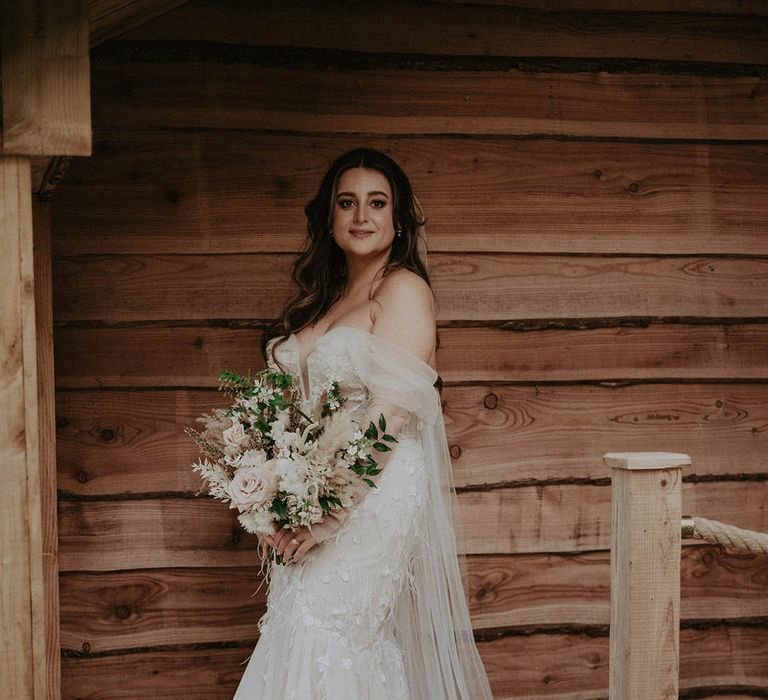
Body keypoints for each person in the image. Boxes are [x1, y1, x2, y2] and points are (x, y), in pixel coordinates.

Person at [232, 147, 493, 699]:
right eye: (346, 203)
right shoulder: (317, 302)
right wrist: (274, 501)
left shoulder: (402, 290)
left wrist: (328, 515)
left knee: (328, 634)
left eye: (378, 203)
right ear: (328, 219)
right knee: (297, 630)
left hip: (374, 492)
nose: (361, 216)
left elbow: (390, 416)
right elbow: (288, 417)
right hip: (310, 495)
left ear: (398, 222)